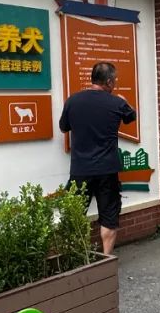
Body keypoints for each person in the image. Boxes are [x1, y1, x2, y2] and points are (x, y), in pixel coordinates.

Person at [58, 61, 136, 256]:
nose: (115, 83)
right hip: (107, 170)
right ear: (109, 82)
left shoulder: (73, 101)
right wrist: (124, 101)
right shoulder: (117, 103)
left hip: (80, 170)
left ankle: (75, 258)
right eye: (115, 80)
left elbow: (63, 127)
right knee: (109, 216)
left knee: (75, 216)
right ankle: (106, 259)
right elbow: (131, 116)